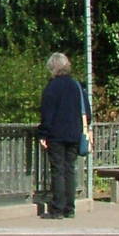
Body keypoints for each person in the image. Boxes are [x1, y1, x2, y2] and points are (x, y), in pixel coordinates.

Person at [36, 52, 89, 219]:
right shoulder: (77, 86)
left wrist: (43, 134)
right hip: (75, 134)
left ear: (52, 68)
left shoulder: (52, 87)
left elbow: (47, 114)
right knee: (69, 170)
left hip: (56, 135)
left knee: (58, 170)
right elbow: (87, 112)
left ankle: (57, 208)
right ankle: (69, 208)